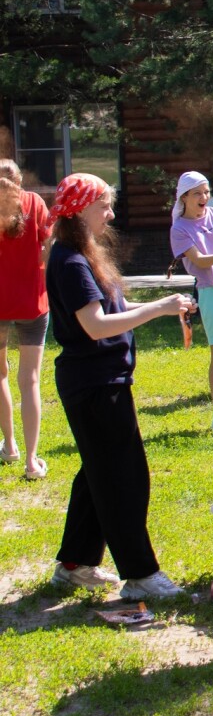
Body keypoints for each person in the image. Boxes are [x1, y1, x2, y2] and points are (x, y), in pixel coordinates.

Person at [44, 173, 194, 599]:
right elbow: (95, 326)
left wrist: (163, 308)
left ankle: (74, 565)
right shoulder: (71, 261)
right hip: (95, 384)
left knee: (98, 473)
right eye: (104, 206)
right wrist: (159, 308)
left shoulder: (80, 254)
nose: (110, 214)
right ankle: (141, 575)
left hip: (99, 380)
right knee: (123, 478)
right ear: (80, 210)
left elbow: (115, 306)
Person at [169, 171, 213, 434]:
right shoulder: (179, 229)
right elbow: (199, 260)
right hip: (211, 292)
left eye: (206, 192)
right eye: (197, 193)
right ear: (184, 197)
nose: (204, 197)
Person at [0, 160, 52, 479]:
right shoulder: (35, 202)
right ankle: (31, 461)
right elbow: (48, 246)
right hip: (33, 302)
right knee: (29, 380)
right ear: (19, 180)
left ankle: (9, 446)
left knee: (0, 375)